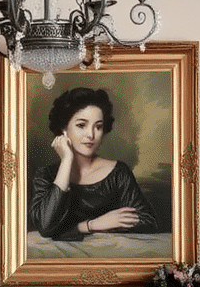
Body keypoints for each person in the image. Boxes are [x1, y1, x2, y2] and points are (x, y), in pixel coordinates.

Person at [29, 86, 157, 241]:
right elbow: (46, 226)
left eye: (98, 127)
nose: (91, 135)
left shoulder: (118, 172)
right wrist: (92, 225)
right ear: (64, 129)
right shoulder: (46, 175)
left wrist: (79, 228)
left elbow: (148, 222)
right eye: (81, 125)